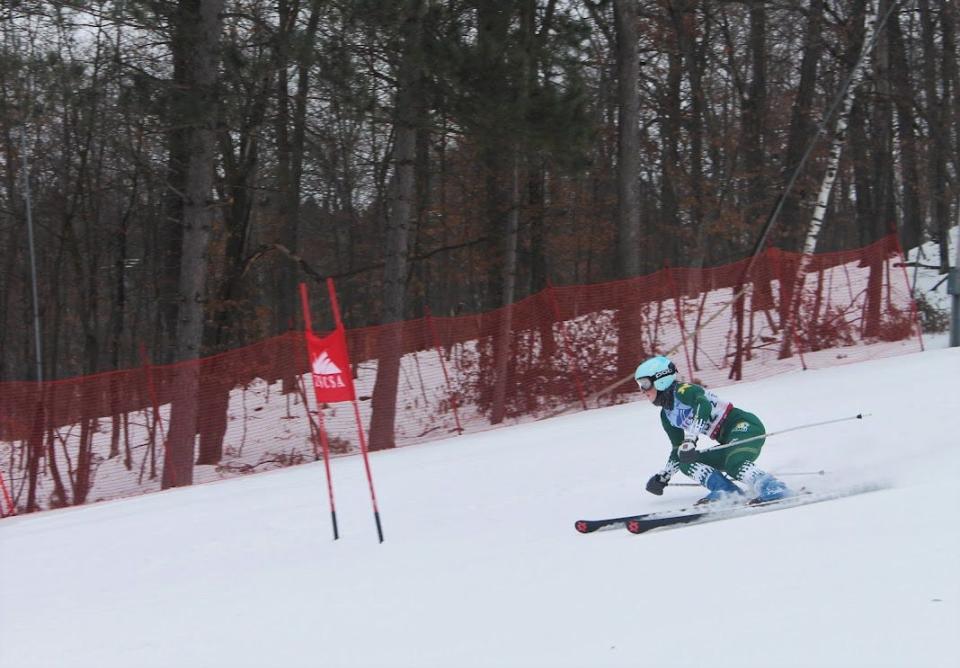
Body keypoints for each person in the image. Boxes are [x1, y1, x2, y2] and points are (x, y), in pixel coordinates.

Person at [635, 355, 791, 504]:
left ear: (661, 379)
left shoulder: (683, 391)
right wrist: (664, 476)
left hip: (744, 426)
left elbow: (703, 405)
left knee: (734, 464)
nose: (643, 390)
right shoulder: (666, 415)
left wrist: (691, 438)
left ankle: (772, 487)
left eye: (645, 383)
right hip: (727, 441)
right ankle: (726, 491)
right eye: (640, 385)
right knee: (686, 461)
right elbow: (677, 448)